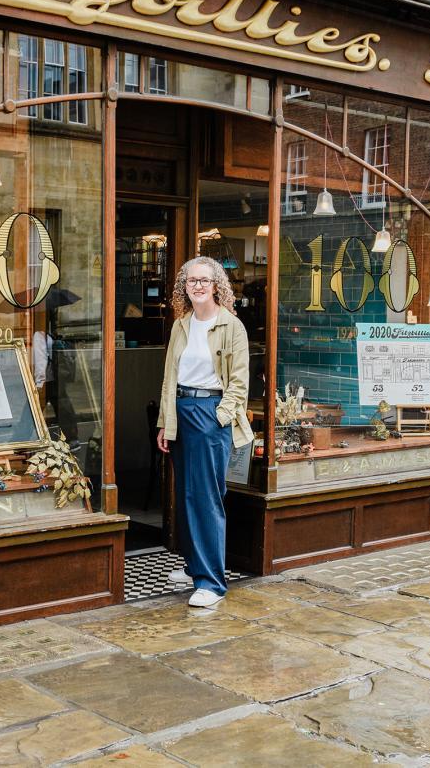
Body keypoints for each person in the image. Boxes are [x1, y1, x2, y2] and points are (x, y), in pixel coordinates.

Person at [157, 256, 253, 607]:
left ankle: (211, 583)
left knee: (207, 497)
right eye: (191, 280)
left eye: (204, 280)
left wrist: (221, 418)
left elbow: (240, 383)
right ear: (185, 286)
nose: (198, 286)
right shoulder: (181, 325)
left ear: (217, 286)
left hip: (210, 413)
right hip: (181, 411)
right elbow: (170, 379)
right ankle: (195, 564)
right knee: (185, 494)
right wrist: (165, 422)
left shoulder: (232, 326)